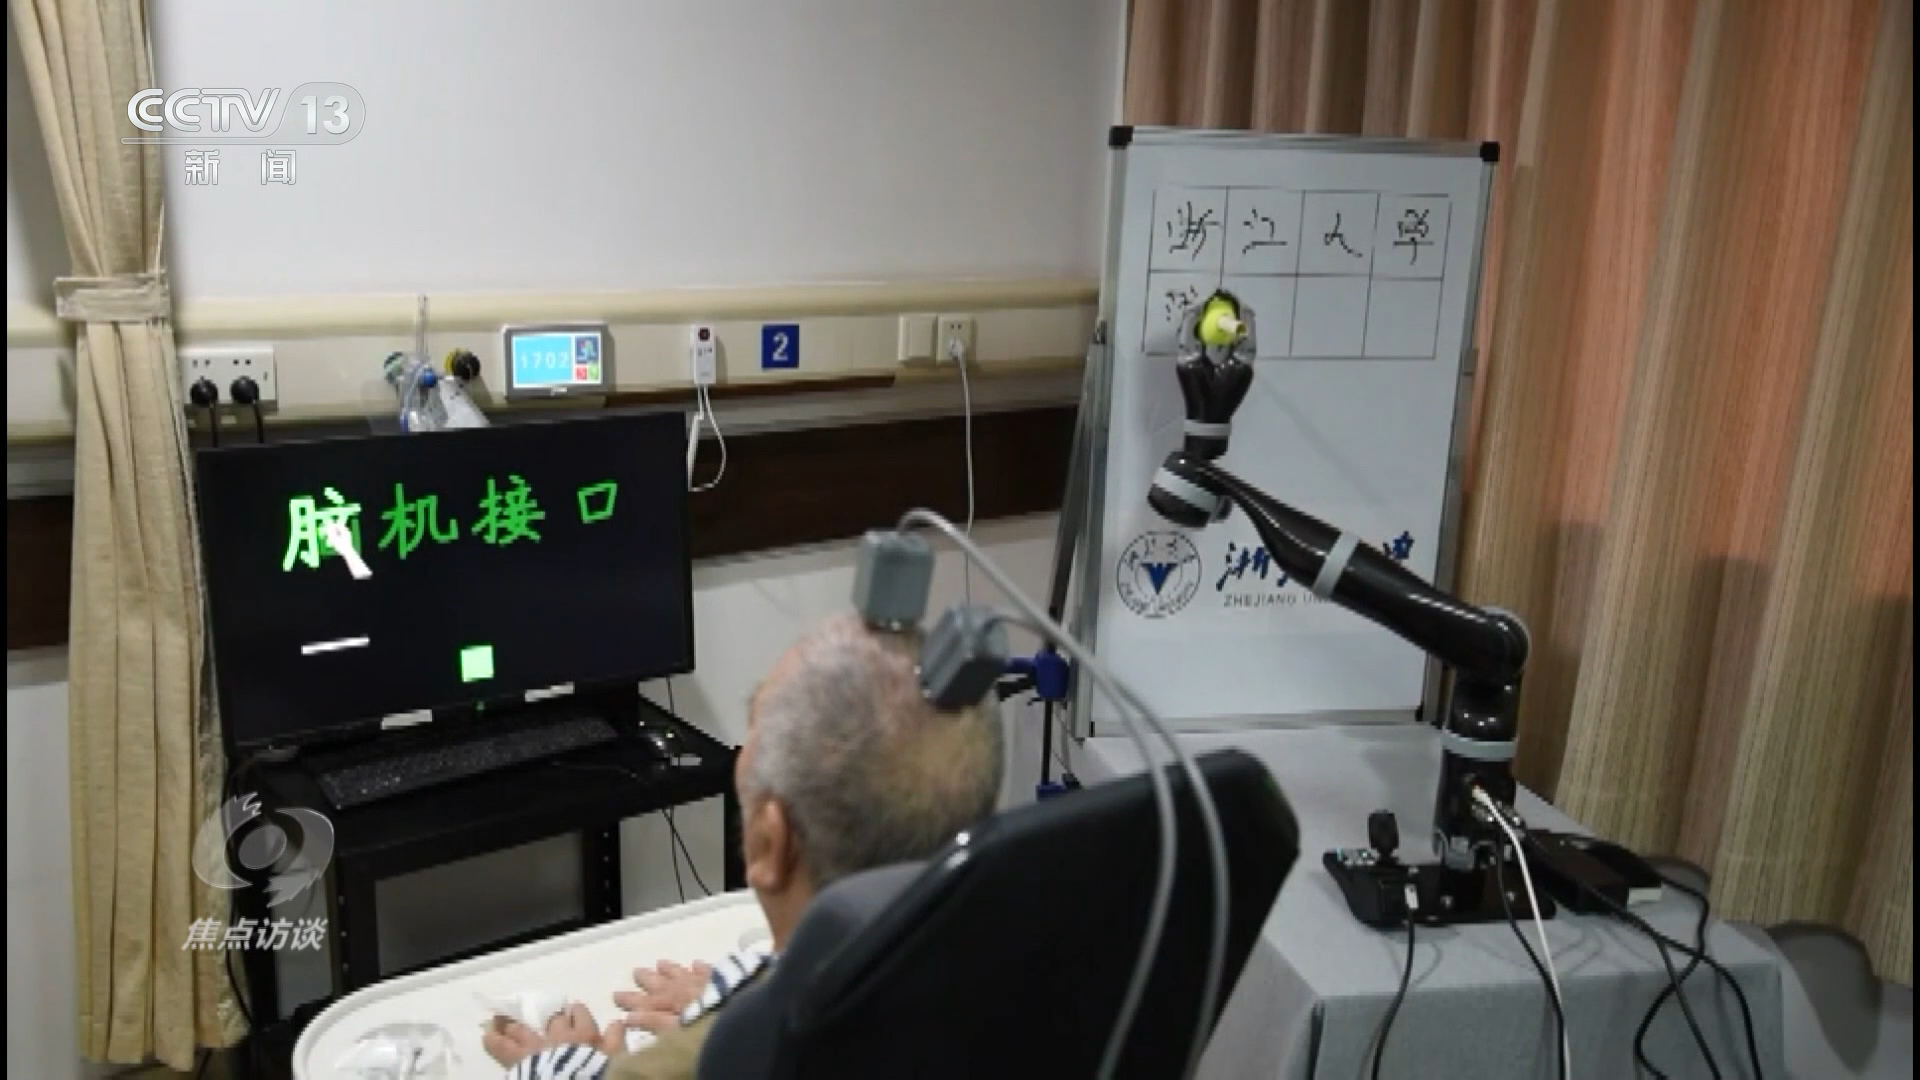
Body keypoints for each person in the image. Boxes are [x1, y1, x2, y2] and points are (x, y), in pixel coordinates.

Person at [486, 612, 1006, 1079]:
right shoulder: (1007, 994)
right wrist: (747, 996)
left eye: (753, 724)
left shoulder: (709, 1062)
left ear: (768, 844)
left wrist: (558, 1063)